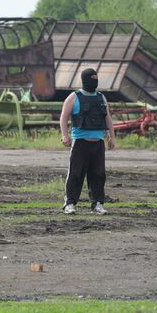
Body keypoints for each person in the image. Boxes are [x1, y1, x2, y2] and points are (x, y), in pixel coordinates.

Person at [59, 68, 116, 215]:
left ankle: (97, 204)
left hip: (98, 143)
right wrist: (65, 135)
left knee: (98, 174)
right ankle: (69, 203)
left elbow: (107, 118)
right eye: (91, 79)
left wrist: (112, 136)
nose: (94, 82)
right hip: (80, 142)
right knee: (76, 174)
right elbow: (64, 117)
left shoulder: (101, 97)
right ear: (85, 80)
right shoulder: (74, 97)